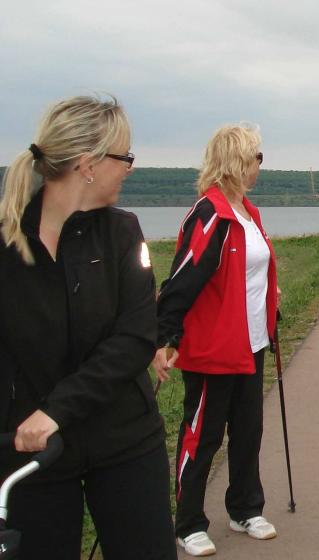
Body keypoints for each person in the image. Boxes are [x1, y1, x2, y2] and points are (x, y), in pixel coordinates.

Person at [0, 95, 176, 559]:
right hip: (31, 450)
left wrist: (57, 410)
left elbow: (135, 338)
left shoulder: (122, 232)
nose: (130, 169)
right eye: (125, 157)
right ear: (88, 165)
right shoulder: (7, 241)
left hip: (124, 440)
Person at [152, 123, 280, 557]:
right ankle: (188, 522)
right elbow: (181, 280)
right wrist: (166, 336)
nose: (260, 164)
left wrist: (272, 303)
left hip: (251, 341)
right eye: (256, 156)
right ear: (235, 160)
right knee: (202, 434)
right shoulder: (209, 214)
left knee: (248, 430)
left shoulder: (248, 212)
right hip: (214, 346)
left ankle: (245, 508)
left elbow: (251, 272)